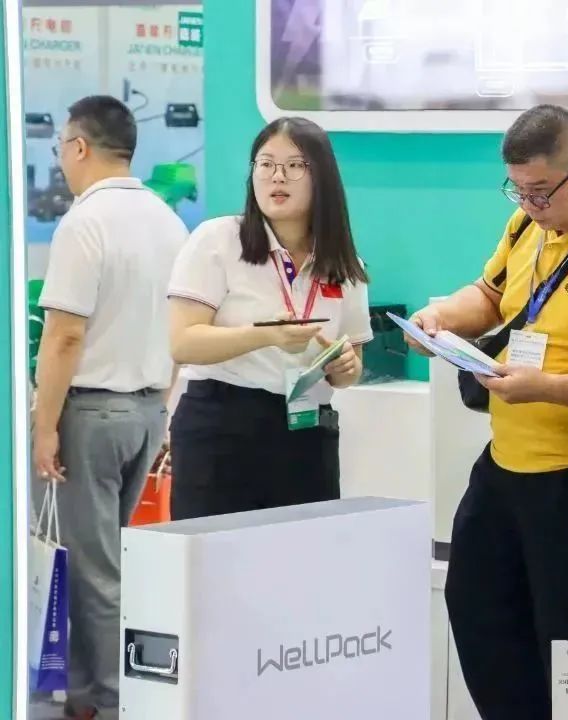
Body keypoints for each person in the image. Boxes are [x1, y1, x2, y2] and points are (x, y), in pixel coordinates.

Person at [406, 105, 568, 719]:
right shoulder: (525, 226)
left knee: (562, 639)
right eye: (518, 190)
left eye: (541, 191)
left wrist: (546, 387)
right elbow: (490, 296)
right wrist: (440, 319)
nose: (530, 204)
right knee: (476, 609)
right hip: (503, 463)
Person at [31, 95, 188, 720]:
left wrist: (45, 425)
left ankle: (113, 700)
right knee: (106, 562)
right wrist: (163, 407)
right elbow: (183, 329)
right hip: (147, 411)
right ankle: (89, 696)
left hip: (91, 415)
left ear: (78, 147)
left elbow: (64, 337)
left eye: (60, 148)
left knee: (95, 571)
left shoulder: (84, 223)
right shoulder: (169, 223)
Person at [167, 117, 372, 520]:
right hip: (221, 427)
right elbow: (183, 342)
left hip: (307, 431)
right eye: (266, 164)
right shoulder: (218, 240)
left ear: (322, 177)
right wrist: (265, 336)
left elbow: (351, 368)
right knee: (217, 555)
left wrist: (345, 367)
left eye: (294, 166)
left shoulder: (346, 265)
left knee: (301, 552)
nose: (277, 176)